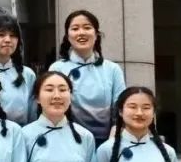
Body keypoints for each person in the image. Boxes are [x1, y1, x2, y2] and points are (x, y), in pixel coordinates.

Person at [49, 10, 126, 145]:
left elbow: (120, 110)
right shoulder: (57, 68)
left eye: (87, 27)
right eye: (75, 29)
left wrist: (110, 145)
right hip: (69, 140)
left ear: (96, 34)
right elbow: (52, 108)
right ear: (67, 36)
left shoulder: (112, 69)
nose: (81, 33)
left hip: (107, 140)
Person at [0, 15, 36, 125]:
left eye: (13, 36)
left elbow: (33, 114)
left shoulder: (27, 74)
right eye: (1, 35)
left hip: (21, 132)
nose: (7, 40)